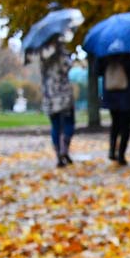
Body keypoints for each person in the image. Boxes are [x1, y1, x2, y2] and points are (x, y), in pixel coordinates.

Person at [40, 37, 75, 168]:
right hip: (63, 95)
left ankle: (58, 154)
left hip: (49, 95)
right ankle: (64, 149)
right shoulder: (61, 53)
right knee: (69, 123)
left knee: (55, 126)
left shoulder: (43, 55)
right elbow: (67, 67)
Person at [100, 52, 130, 166]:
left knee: (115, 123)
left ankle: (112, 149)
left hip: (111, 94)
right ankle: (121, 154)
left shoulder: (105, 53)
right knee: (126, 126)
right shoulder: (128, 53)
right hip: (127, 94)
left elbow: (98, 71)